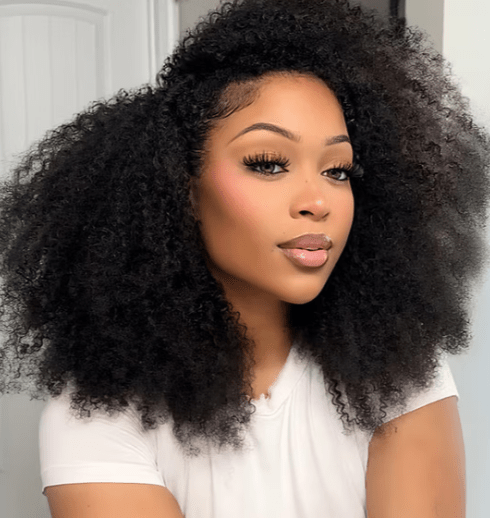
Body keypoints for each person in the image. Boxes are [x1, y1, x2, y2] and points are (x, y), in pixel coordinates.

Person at [0, 0, 488, 516]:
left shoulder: (397, 365)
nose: (318, 201)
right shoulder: (97, 410)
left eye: (338, 170)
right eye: (268, 163)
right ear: (180, 188)